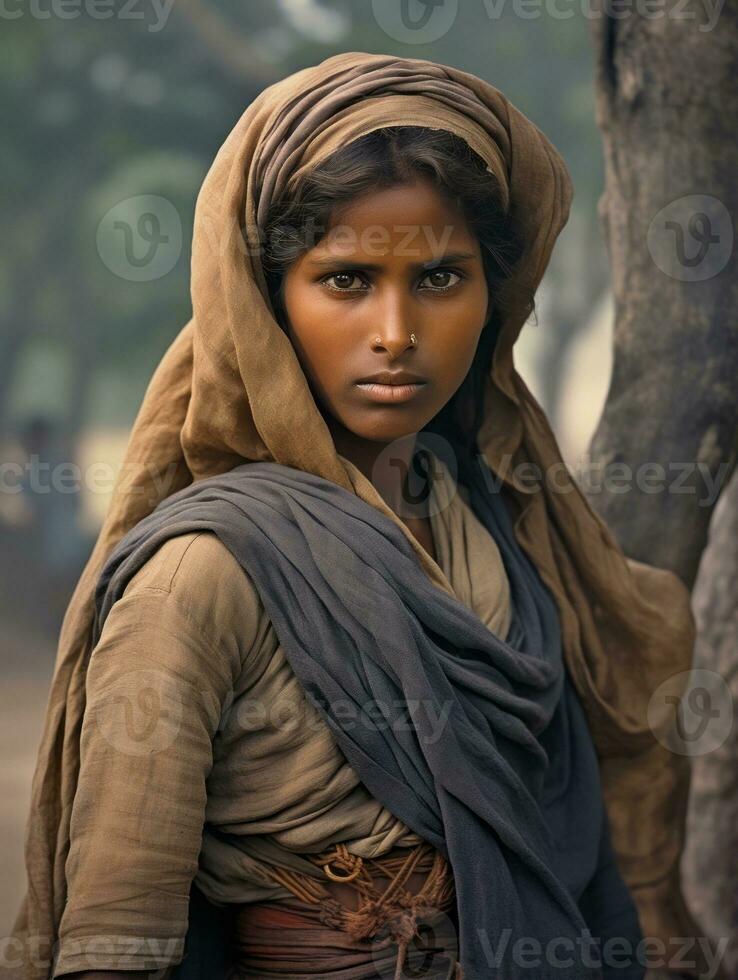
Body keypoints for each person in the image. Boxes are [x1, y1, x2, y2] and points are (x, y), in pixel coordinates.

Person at [8, 52, 720, 980]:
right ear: (269, 303)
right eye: (345, 281)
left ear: (491, 296)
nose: (395, 331)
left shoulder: (503, 532)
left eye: (439, 278)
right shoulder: (204, 577)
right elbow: (116, 943)